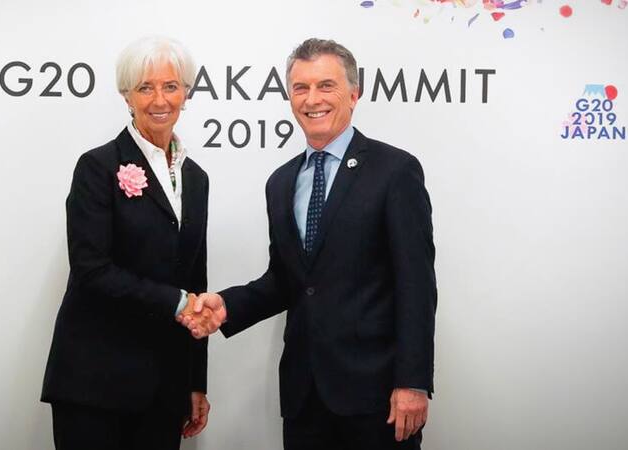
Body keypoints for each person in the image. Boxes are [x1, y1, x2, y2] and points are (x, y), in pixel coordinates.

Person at [180, 38, 437, 450]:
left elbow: (416, 285)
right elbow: (287, 280)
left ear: (353, 94)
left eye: (326, 86)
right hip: (304, 398)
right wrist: (227, 306)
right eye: (301, 88)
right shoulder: (281, 182)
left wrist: (413, 382)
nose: (312, 99)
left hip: (378, 397)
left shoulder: (395, 171)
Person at [41, 36, 212, 450]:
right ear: (126, 96)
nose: (160, 99)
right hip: (94, 382)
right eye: (145, 87)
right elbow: (91, 269)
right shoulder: (97, 167)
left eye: (170, 86)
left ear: (186, 93)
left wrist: (195, 381)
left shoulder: (196, 178)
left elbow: (195, 280)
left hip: (164, 387)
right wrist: (177, 302)